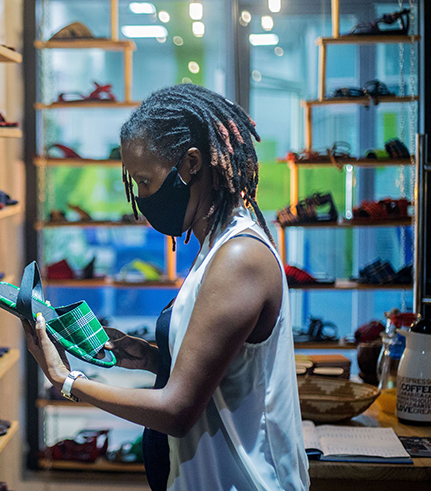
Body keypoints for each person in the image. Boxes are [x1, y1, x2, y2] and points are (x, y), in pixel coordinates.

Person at [22, 84, 309, 490]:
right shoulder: (217, 243)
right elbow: (224, 374)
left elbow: (177, 409)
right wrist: (153, 359)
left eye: (144, 181)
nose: (140, 199)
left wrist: (67, 380)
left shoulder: (238, 258)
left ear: (191, 163)